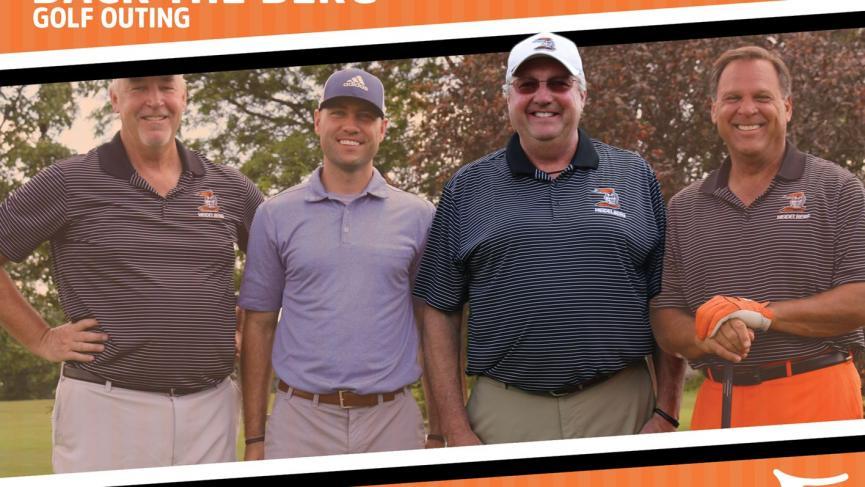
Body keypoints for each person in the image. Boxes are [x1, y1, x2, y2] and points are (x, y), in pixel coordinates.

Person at [413, 32, 685, 446]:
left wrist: (667, 411)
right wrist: (453, 425)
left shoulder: (634, 175)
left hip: (623, 405)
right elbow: (438, 308)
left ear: (582, 94)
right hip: (505, 414)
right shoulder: (466, 187)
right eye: (527, 85)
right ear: (509, 98)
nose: (543, 96)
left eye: (559, 83)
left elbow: (667, 296)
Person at [0, 75, 265, 472]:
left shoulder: (229, 187)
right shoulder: (69, 181)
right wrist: (41, 338)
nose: (154, 100)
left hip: (211, 412)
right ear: (114, 99)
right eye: (138, 86)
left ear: (184, 97)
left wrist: (246, 318)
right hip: (106, 409)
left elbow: (282, 263)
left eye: (166, 87)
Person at [650, 46, 865, 429]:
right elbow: (666, 315)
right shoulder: (683, 208)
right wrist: (708, 335)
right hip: (719, 403)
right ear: (714, 109)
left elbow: (860, 297)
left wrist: (762, 315)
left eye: (762, 97)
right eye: (733, 98)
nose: (747, 109)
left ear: (787, 107)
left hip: (818, 394)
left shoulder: (838, 188)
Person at [239, 68, 438, 459]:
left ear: (383, 128)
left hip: (392, 422)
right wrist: (255, 439)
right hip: (299, 423)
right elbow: (258, 327)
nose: (351, 126)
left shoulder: (419, 216)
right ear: (318, 121)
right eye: (338, 113)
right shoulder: (275, 214)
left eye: (364, 116)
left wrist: (440, 431)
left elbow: (431, 327)